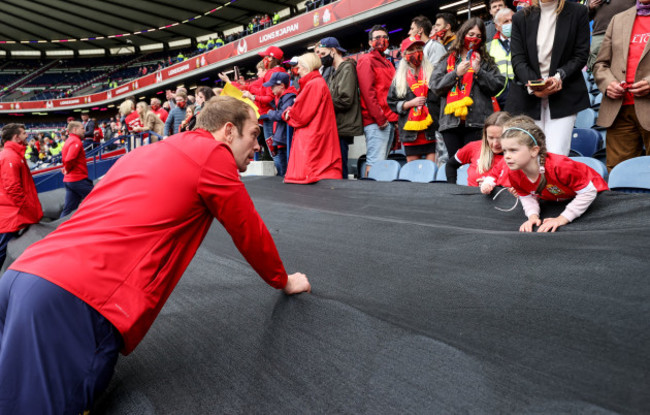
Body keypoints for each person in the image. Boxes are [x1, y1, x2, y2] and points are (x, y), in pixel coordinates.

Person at [0, 97, 311, 414]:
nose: (258, 146)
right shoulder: (213, 154)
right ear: (229, 131)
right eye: (254, 134)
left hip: (21, 276)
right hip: (71, 300)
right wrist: (282, 280)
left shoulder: (146, 151)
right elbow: (249, 231)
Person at [480, 115, 608, 232]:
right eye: (505, 151)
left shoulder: (560, 166)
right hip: (559, 199)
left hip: (594, 197)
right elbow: (526, 196)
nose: (507, 157)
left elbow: (588, 192)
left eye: (513, 150)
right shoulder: (513, 172)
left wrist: (562, 218)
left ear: (534, 151)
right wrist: (532, 216)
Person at [505, 0, 591, 156]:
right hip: (527, 96)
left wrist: (559, 77)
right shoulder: (520, 17)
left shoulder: (578, 12)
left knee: (556, 154)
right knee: (529, 156)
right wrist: (535, 86)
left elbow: (581, 55)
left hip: (564, 93)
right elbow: (518, 59)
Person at [430, 17, 505, 162]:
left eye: (478, 36)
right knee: (454, 164)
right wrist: (455, 74)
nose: (474, 39)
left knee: (475, 164)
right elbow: (435, 86)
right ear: (463, 34)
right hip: (450, 124)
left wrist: (479, 71)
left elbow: (497, 86)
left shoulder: (486, 61)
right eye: (470, 34)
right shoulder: (447, 60)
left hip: (477, 123)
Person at [592, 0, 650, 172]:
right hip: (619, 110)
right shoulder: (618, 19)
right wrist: (608, 83)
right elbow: (600, 64)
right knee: (620, 175)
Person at [282, 53, 342, 184]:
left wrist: (287, 112)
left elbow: (300, 116)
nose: (296, 70)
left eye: (299, 66)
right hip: (317, 133)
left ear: (306, 67)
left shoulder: (313, 84)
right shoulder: (316, 83)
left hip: (312, 138)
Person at [317, 37, 364, 179]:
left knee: (341, 168)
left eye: (323, 54)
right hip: (336, 127)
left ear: (333, 51)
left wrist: (322, 102)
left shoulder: (347, 68)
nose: (320, 58)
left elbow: (345, 100)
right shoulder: (333, 71)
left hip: (342, 127)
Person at [388, 36, 437, 163]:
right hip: (410, 134)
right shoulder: (399, 79)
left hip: (430, 130)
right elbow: (391, 102)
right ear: (404, 55)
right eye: (411, 49)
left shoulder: (432, 73)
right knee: (414, 174)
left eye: (418, 48)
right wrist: (409, 104)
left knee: (431, 171)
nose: (416, 52)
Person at [358, 25, 399, 177]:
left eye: (385, 37)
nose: (381, 40)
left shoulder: (387, 63)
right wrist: (380, 118)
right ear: (370, 42)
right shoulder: (366, 60)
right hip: (377, 121)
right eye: (377, 38)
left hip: (387, 120)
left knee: (381, 162)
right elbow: (368, 93)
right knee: (375, 162)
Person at [0, 124, 42, 269]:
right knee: (4, 251)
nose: (26, 135)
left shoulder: (14, 154)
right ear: (16, 137)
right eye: (24, 133)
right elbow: (13, 188)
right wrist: (27, 208)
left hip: (13, 212)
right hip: (11, 214)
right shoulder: (9, 156)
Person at [446, 111, 512, 185]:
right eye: (491, 137)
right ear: (485, 135)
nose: (495, 143)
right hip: (471, 195)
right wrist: (452, 189)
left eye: (500, 138)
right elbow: (450, 165)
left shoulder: (518, 156)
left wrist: (493, 185)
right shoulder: (474, 147)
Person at [260, 72, 297, 177]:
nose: (271, 89)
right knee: (281, 171)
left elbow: (282, 114)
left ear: (281, 85)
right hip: (281, 138)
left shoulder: (289, 97)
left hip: (285, 139)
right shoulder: (282, 97)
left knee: (284, 172)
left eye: (273, 86)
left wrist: (270, 113)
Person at [587, 0, 636, 72]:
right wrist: (590, 7)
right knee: (597, 64)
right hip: (601, 33)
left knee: (626, 63)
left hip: (626, 31)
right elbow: (585, 16)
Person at [60, 122, 94, 218]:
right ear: (75, 130)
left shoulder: (69, 140)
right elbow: (70, 159)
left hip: (70, 181)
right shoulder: (75, 141)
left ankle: (59, 230)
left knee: (68, 209)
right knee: (98, 198)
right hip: (77, 180)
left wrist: (66, 169)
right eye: (82, 128)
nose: (84, 131)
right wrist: (67, 169)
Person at [487, 7, 515, 109]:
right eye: (506, 21)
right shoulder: (489, 47)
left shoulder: (524, 42)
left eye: (512, 20)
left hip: (520, 96)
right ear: (497, 26)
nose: (510, 24)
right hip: (497, 97)